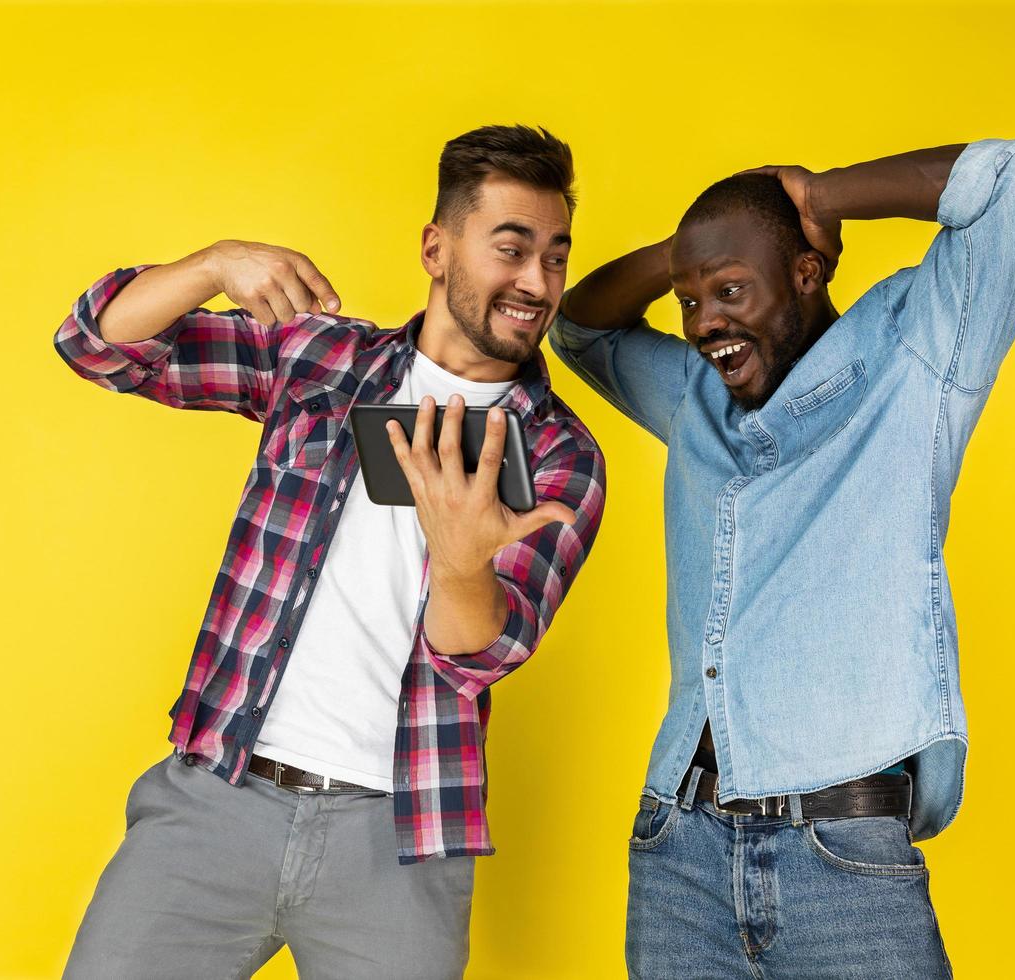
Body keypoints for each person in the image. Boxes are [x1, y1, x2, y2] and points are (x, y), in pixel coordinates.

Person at [56, 124, 605, 979]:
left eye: (556, 257)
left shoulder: (564, 457)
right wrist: (214, 263)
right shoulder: (320, 359)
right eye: (512, 248)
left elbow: (484, 656)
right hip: (217, 798)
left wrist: (461, 558)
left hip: (400, 837)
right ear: (437, 246)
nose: (537, 282)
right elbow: (98, 346)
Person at [550, 138, 1015, 978]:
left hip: (842, 856)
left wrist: (822, 195)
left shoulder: (916, 356)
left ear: (808, 274)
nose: (706, 321)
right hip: (681, 848)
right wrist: (693, 248)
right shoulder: (695, 395)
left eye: (732, 289)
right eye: (690, 300)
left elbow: (1010, 182)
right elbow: (580, 327)